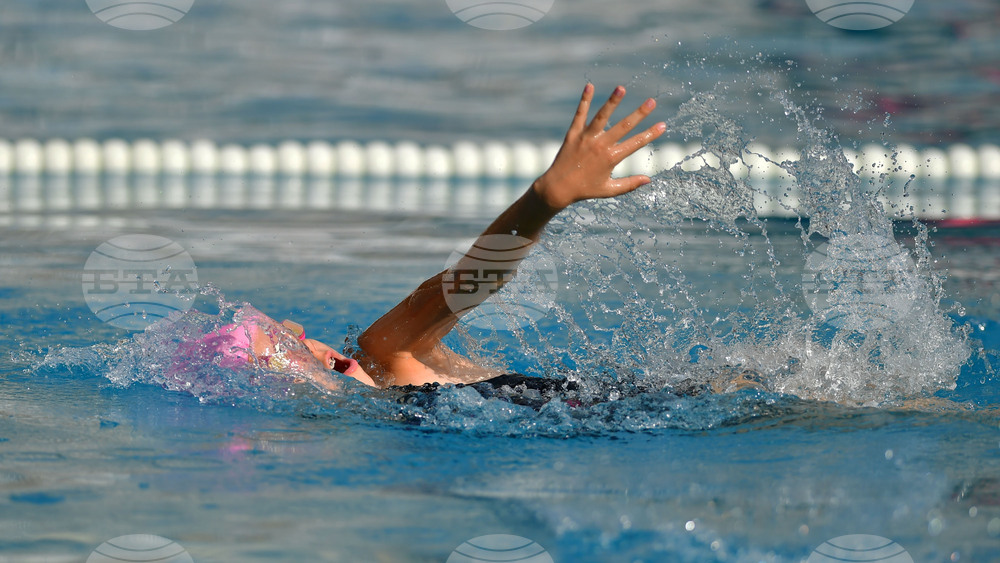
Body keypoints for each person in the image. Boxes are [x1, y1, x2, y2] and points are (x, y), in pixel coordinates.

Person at [193, 84, 666, 394]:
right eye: (284, 356)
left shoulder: (384, 351)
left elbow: (466, 284)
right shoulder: (375, 432)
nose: (314, 352)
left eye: (290, 337)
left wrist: (543, 200)